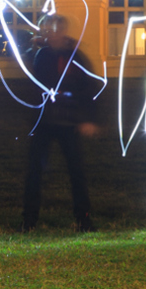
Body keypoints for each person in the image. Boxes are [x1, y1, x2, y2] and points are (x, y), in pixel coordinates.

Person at [21, 14, 104, 232]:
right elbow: (34, 82)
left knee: (76, 172)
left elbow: (87, 88)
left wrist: (88, 119)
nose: (52, 34)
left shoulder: (74, 56)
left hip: (69, 122)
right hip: (45, 121)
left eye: (55, 29)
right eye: (48, 30)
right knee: (34, 172)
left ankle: (83, 219)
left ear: (63, 31)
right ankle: (29, 220)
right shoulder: (42, 55)